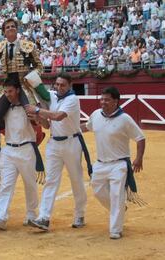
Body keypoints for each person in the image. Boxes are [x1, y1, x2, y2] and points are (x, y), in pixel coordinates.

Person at [26, 72, 92, 231]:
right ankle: (44, 217)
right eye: (57, 84)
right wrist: (38, 117)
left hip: (72, 143)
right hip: (54, 143)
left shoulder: (72, 99)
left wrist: (36, 111)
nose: (59, 87)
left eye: (63, 85)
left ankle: (80, 214)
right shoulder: (52, 96)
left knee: (76, 180)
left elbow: (57, 116)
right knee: (51, 181)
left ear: (70, 85)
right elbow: (48, 125)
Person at [81, 87, 146, 239]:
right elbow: (87, 126)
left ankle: (115, 229)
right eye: (102, 99)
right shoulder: (96, 114)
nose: (103, 102)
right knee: (98, 192)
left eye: (107, 100)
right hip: (101, 163)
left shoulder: (125, 119)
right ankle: (119, 209)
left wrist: (139, 158)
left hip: (119, 164)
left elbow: (140, 138)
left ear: (116, 102)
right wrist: (71, 131)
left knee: (117, 195)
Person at [0, 17, 50, 141]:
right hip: (7, 87)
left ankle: (37, 139)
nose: (10, 28)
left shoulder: (28, 45)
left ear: (17, 29)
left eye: (12, 26)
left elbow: (39, 66)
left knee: (33, 116)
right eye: (7, 27)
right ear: (4, 32)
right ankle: (13, 138)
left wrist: (31, 76)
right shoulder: (0, 46)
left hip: (23, 85)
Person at [0, 75, 45, 230]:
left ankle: (31, 214)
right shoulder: (4, 108)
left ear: (18, 91)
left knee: (30, 184)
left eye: (10, 91)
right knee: (6, 184)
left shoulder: (29, 107)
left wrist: (35, 116)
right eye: (5, 92)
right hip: (9, 150)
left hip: (26, 149)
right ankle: (0, 217)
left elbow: (38, 124)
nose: (7, 94)